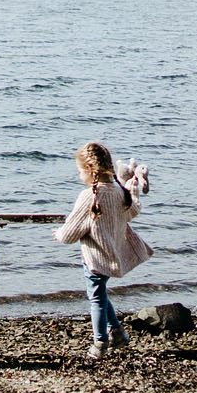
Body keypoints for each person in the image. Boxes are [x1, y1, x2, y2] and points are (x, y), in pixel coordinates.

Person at [53, 141, 151, 359]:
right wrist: (132, 187)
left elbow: (71, 233)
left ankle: (100, 343)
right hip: (112, 253)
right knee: (101, 294)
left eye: (80, 171)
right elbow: (133, 209)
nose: (79, 176)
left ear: (89, 170)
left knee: (95, 298)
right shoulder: (118, 193)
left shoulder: (90, 196)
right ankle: (117, 333)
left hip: (96, 258)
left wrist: (59, 233)